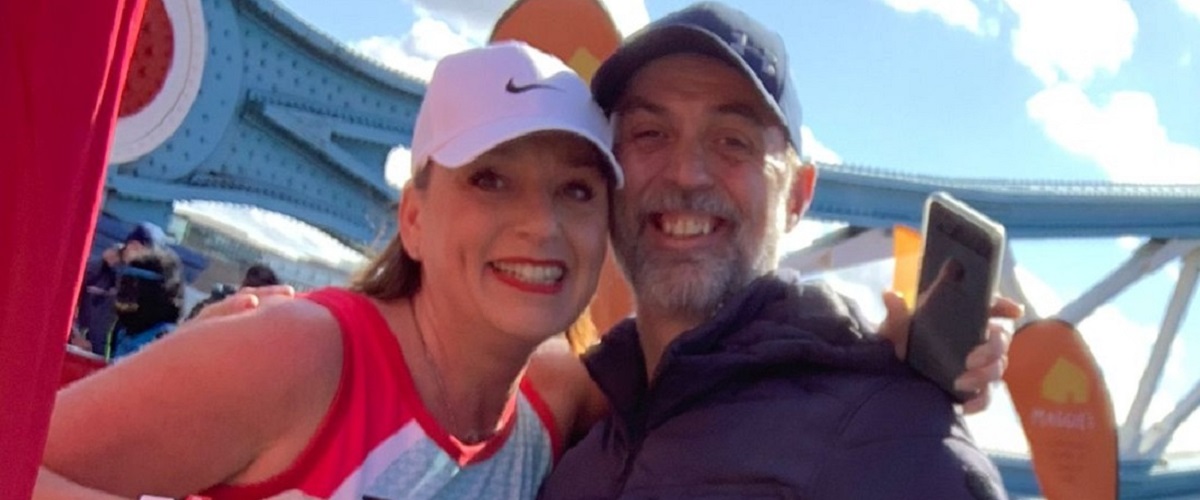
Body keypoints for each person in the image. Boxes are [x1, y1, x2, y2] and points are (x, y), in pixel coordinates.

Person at [36, 42, 621, 499]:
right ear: (413, 220)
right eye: (490, 179)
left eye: (576, 189)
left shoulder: (558, 401)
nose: (542, 225)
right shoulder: (300, 356)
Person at [537, 3, 1012, 498]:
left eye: (732, 141)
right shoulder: (581, 447)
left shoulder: (896, 444)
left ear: (798, 196)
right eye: (649, 134)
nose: (685, 173)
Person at [72, 221, 167, 355]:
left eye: (143, 250)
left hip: (118, 364)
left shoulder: (157, 292)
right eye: (133, 246)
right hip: (83, 354)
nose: (135, 254)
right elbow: (69, 297)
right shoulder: (100, 272)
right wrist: (75, 336)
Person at [107, 246, 184, 360]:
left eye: (134, 285)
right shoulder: (122, 331)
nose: (125, 293)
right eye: (124, 283)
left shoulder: (166, 341)